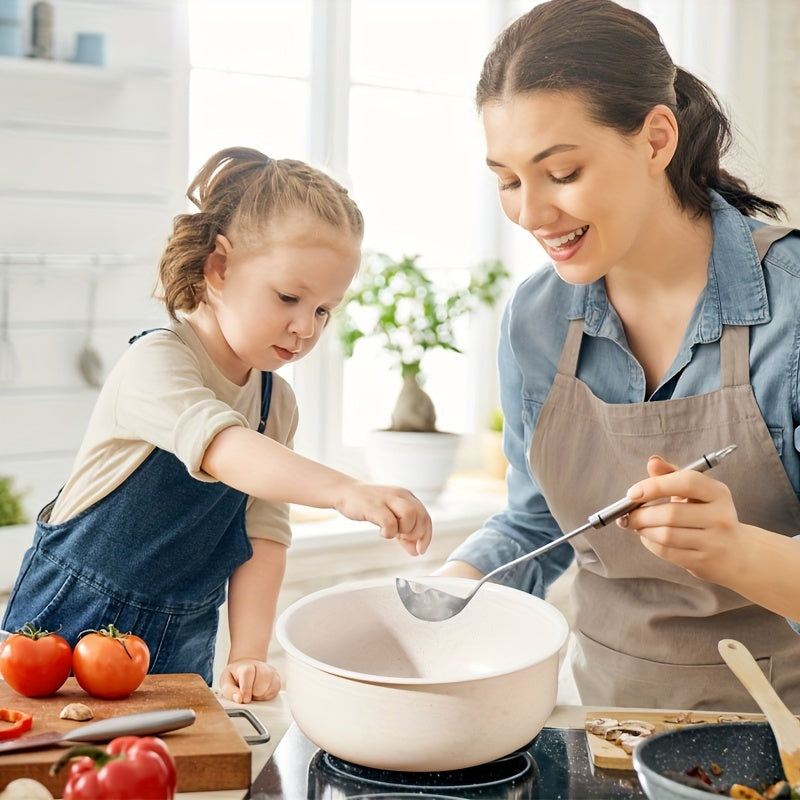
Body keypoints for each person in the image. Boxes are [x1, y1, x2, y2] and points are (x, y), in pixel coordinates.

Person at [437, 0, 800, 712]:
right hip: (601, 732)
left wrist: (736, 551)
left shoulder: (791, 308)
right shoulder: (537, 322)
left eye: (562, 172)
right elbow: (535, 524)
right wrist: (453, 589)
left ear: (656, 139)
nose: (532, 214)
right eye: (508, 181)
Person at [3, 147, 432, 704]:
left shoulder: (277, 403)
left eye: (326, 309)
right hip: (68, 623)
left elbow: (263, 532)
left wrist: (249, 651)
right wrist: (344, 490)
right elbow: (223, 447)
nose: (306, 327)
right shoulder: (158, 363)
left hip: (182, 636)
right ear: (220, 267)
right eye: (288, 297)